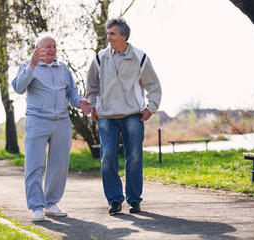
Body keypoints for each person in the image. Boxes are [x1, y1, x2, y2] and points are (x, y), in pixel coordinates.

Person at [12, 33, 91, 221]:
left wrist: (80, 102)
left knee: (59, 165)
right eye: (47, 46)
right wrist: (31, 66)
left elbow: (71, 92)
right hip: (37, 121)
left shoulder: (62, 68)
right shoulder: (27, 65)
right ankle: (36, 207)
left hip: (61, 122)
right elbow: (18, 87)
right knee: (34, 165)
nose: (52, 49)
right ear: (37, 49)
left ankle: (51, 203)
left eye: (54, 46)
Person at [86, 17, 162, 214]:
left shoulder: (140, 57)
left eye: (112, 34)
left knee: (135, 157)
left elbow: (153, 85)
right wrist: (94, 106)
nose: (108, 37)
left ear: (124, 35)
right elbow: (92, 86)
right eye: (108, 33)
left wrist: (150, 107)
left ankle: (134, 200)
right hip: (107, 117)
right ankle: (114, 200)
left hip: (132, 116)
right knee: (107, 157)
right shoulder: (100, 57)